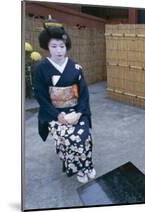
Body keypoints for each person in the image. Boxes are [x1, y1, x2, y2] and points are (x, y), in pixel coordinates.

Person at [33, 17, 95, 183]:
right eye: (54, 46)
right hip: (54, 112)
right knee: (69, 138)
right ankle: (77, 168)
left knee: (84, 135)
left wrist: (81, 112)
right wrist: (57, 115)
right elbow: (41, 96)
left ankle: (87, 165)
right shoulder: (40, 69)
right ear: (47, 46)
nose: (59, 50)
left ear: (66, 47)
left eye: (62, 46)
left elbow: (84, 93)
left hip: (76, 110)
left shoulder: (75, 67)